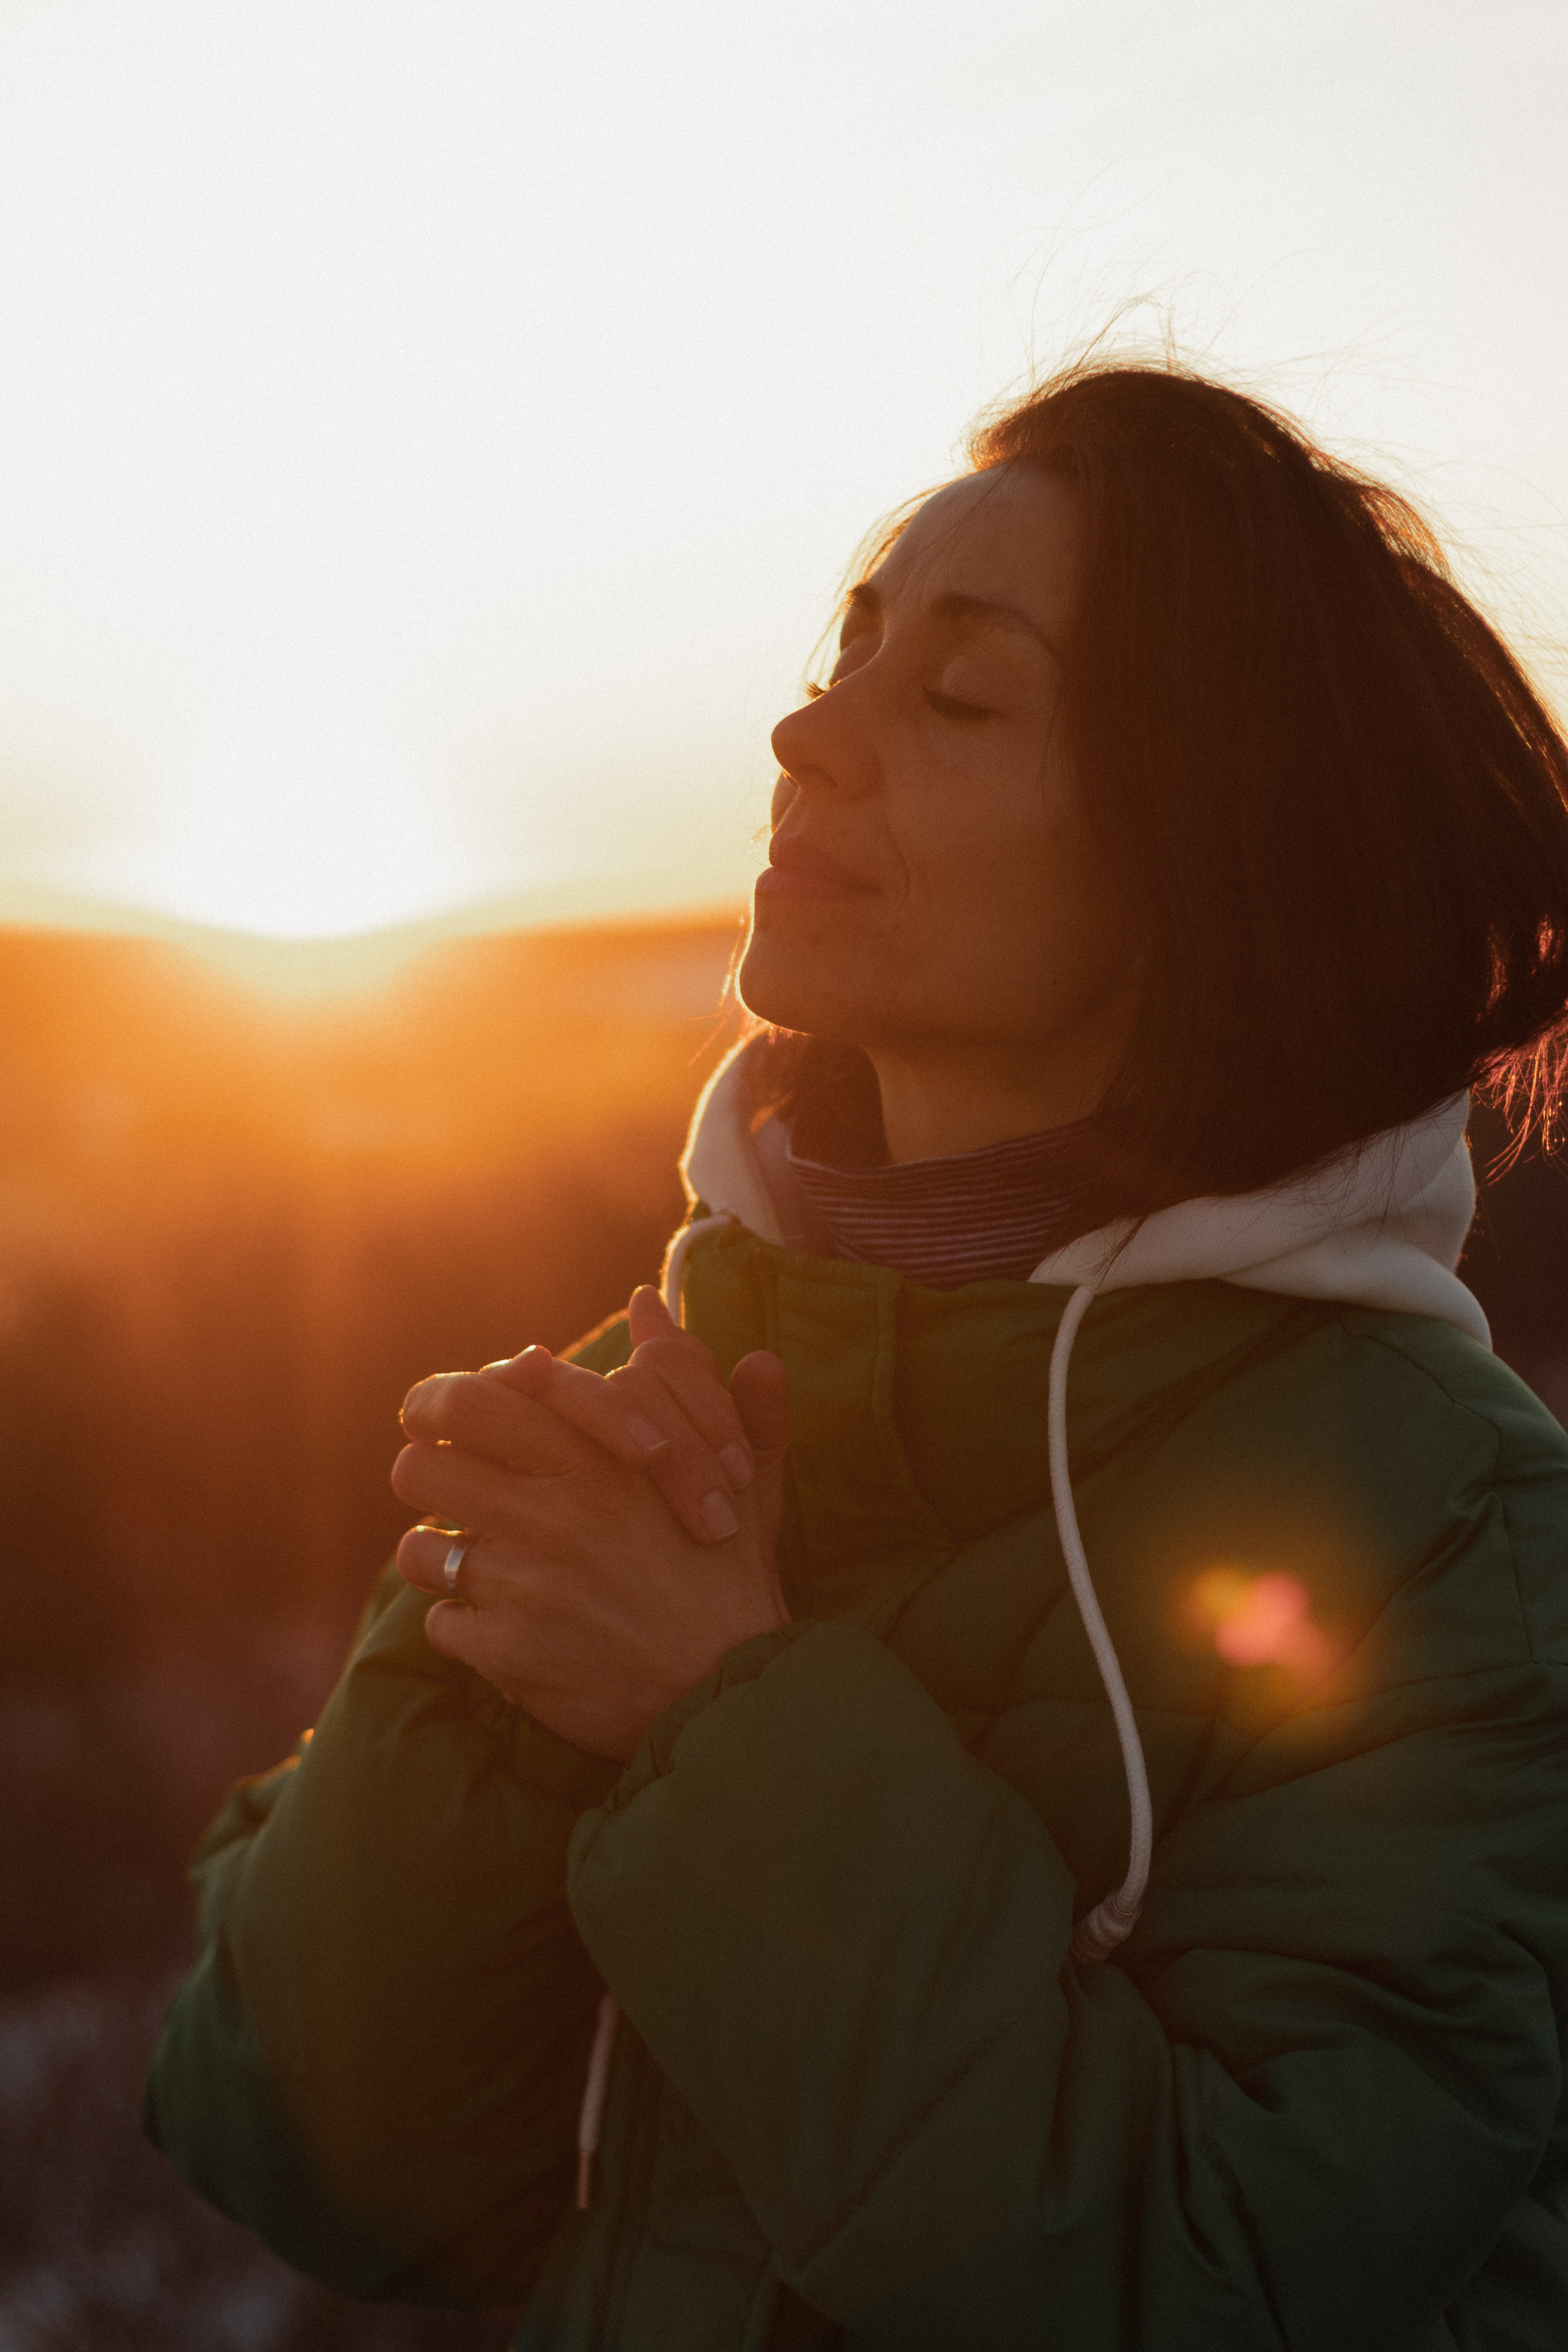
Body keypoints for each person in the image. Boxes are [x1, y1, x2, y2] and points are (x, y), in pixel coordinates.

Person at [146, 359, 1568, 2350]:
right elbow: (288, 2148)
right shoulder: (665, 1384)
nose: (809, 735)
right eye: (850, 649)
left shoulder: (1448, 1524)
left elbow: (1231, 2285)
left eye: (959, 693)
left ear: (1215, 857)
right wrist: (488, 1676)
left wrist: (724, 1707)